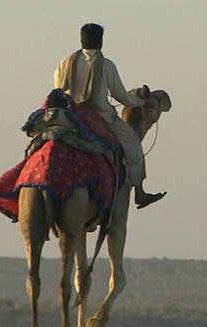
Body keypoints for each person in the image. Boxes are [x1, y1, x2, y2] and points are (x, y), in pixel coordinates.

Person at [53, 23, 166, 209]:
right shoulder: (106, 65)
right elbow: (120, 95)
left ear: (81, 39)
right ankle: (140, 192)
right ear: (101, 41)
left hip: (72, 118)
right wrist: (140, 103)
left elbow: (59, 90)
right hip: (101, 118)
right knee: (133, 145)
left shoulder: (64, 63)